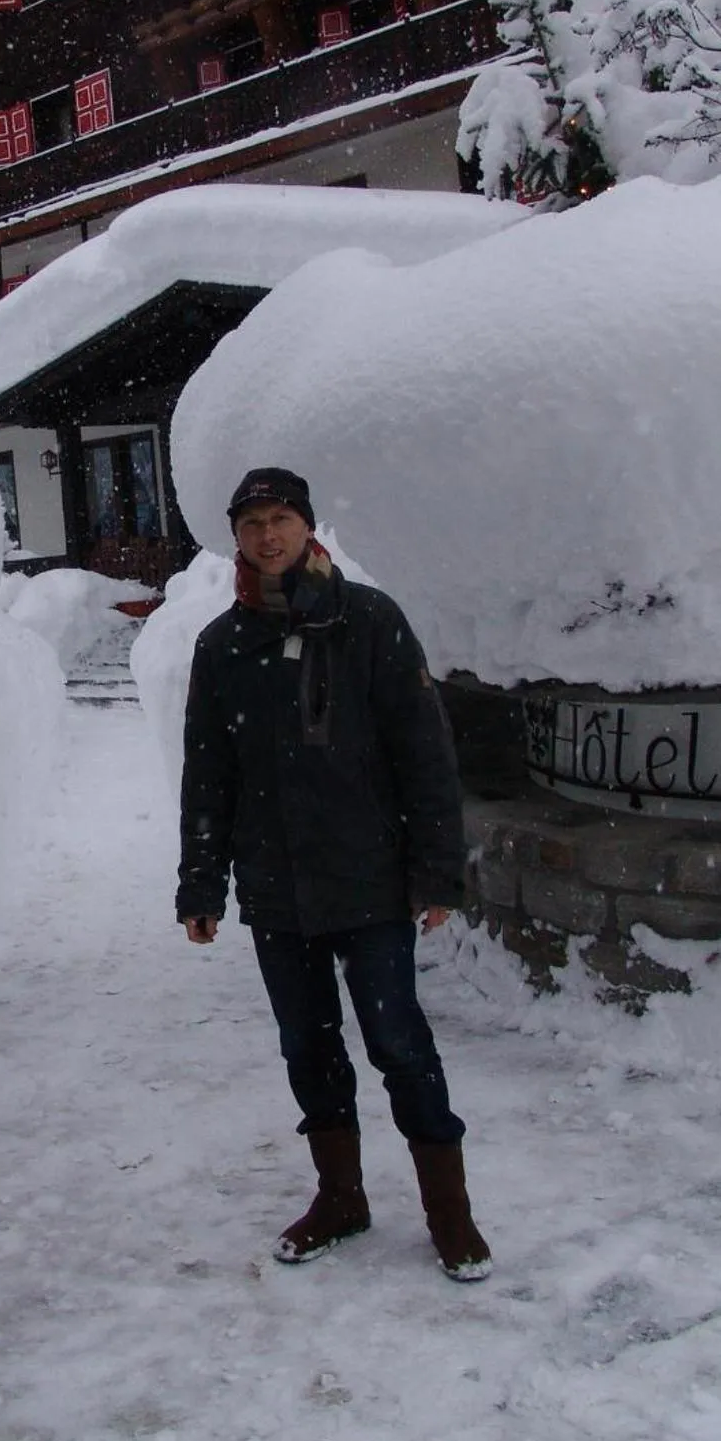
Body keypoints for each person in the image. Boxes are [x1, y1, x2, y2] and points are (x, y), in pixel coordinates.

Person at [176, 467, 492, 1280]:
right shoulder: (223, 645)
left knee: (399, 1042)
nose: (267, 535)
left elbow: (424, 753)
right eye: (252, 524)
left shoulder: (370, 622)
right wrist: (202, 883)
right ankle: (341, 1198)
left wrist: (435, 874)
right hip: (279, 890)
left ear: (307, 527)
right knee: (307, 1048)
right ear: (236, 539)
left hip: (370, 879)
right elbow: (209, 774)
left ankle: (449, 1215)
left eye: (280, 518)